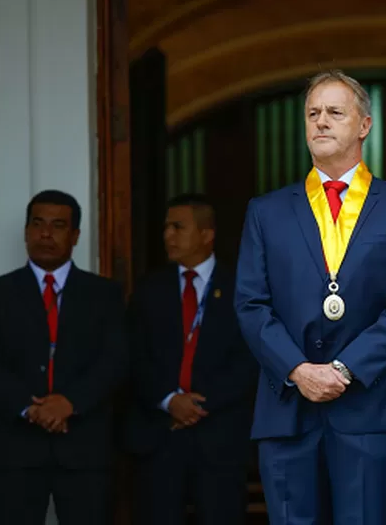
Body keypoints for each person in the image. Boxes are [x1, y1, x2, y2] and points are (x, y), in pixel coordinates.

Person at [234, 69, 386, 524]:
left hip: (370, 404)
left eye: (334, 112)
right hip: (287, 404)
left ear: (363, 125)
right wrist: (298, 369)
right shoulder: (266, 211)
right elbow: (250, 304)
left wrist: (345, 369)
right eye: (313, 113)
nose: (321, 121)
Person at [0, 189, 128, 525]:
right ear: (26, 232)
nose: (45, 234)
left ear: (75, 235)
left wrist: (70, 403)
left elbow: (115, 360)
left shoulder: (105, 294)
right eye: (37, 224)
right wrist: (31, 408)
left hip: (84, 448)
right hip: (15, 448)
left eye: (57, 226)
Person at [125, 193, 258, 524]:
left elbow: (251, 359)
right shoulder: (148, 290)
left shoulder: (243, 288)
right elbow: (132, 355)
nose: (167, 235)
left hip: (220, 438)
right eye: (166, 227)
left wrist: (199, 403)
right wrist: (170, 400)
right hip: (159, 436)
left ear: (206, 233)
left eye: (178, 227)